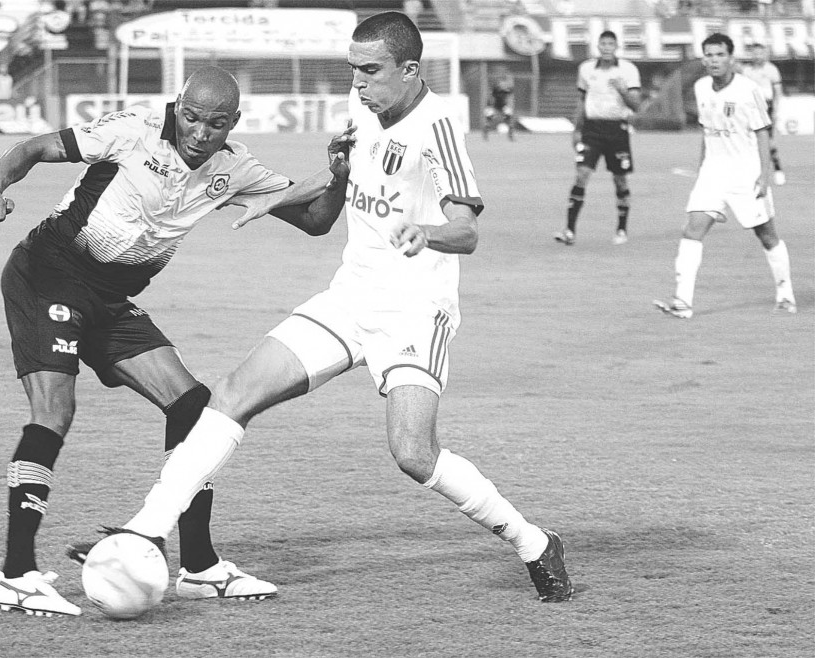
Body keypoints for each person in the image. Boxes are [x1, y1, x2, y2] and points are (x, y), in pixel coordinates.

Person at [101, 11, 574, 604]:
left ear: (409, 69)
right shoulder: (362, 111)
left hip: (413, 310)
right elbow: (340, 178)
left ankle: (533, 541)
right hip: (349, 296)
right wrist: (273, 200)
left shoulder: (438, 130)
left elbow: (467, 229)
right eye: (353, 70)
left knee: (413, 454)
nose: (358, 83)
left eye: (370, 71)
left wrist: (426, 233)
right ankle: (145, 532)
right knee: (230, 394)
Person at [0, 65, 350, 616]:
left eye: (215, 124)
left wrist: (338, 174)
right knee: (54, 410)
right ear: (178, 107)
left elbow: (316, 221)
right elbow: (34, 148)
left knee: (194, 408)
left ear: (233, 123)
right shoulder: (133, 132)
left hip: (110, 300)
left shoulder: (233, 167)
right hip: (49, 271)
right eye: (192, 118)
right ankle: (15, 572)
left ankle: (198, 567)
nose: (199, 133)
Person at [653, 33, 796, 319]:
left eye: (719, 54)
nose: (713, 60)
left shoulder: (748, 90)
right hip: (713, 173)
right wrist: (702, 169)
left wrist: (764, 176)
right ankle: (683, 301)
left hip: (746, 172)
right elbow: (707, 132)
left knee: (766, 235)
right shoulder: (701, 87)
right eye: (708, 54)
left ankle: (785, 293)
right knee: (692, 230)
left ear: (731, 58)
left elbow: (762, 132)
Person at [554, 30, 641, 246]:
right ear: (598, 46)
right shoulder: (586, 69)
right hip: (592, 130)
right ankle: (569, 230)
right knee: (581, 174)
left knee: (620, 179)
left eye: (611, 43)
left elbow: (636, 105)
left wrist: (622, 91)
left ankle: (621, 228)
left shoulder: (628, 70)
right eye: (603, 43)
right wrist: (576, 129)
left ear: (616, 46)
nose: (607, 47)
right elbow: (582, 101)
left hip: (617, 130)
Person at [741, 43, 787, 185]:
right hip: (749, 108)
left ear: (765, 54)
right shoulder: (746, 70)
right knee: (749, 140)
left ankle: (778, 169)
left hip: (766, 107)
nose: (757, 56)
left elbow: (777, 91)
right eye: (755, 53)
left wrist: (776, 109)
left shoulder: (771, 69)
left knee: (769, 139)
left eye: (760, 53)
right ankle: (752, 171)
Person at [482, 68, 516, 141]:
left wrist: (510, 79)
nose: (503, 84)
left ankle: (511, 136)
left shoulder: (507, 89)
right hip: (494, 106)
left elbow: (510, 91)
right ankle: (485, 134)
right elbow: (492, 96)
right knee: (489, 119)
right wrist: (489, 106)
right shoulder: (496, 89)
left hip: (503, 106)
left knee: (509, 119)